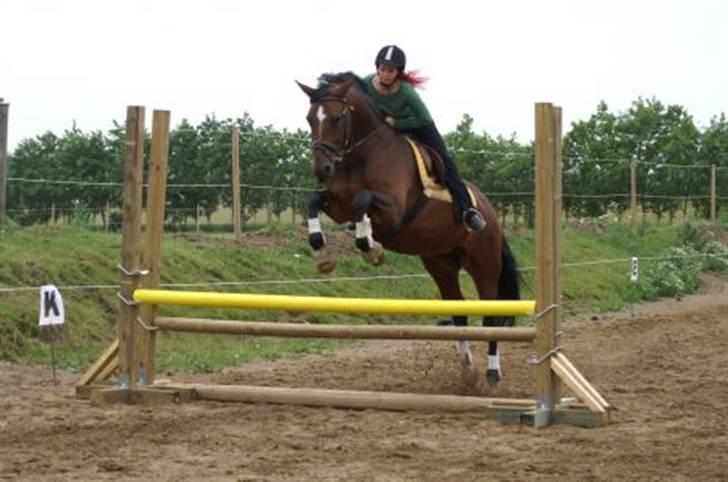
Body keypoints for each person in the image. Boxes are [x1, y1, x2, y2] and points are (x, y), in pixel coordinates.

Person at [362, 45, 486, 232]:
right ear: (377, 68)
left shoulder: (406, 92)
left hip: (420, 126)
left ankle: (468, 210)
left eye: (390, 70)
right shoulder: (366, 84)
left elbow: (423, 118)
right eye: (382, 69)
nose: (385, 74)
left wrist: (396, 123)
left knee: (445, 163)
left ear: (398, 73)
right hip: (386, 130)